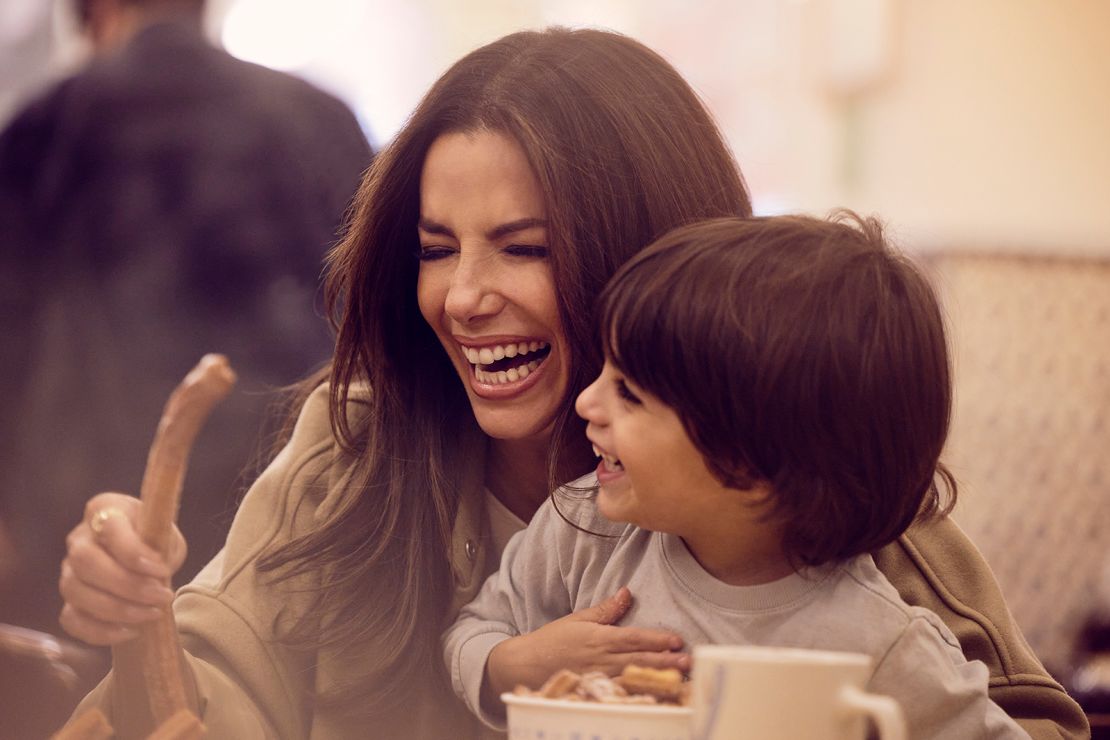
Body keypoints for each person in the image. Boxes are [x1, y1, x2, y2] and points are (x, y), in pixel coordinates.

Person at [55, 27, 1087, 740]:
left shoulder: (796, 455)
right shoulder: (356, 443)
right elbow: (207, 691)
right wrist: (135, 607)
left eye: (522, 247)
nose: (461, 297)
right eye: (433, 247)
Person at [444, 213, 1029, 738]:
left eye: (629, 393)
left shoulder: (883, 644)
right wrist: (508, 667)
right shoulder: (584, 532)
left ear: (750, 463)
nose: (587, 404)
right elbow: (475, 628)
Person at [0, 0, 372, 637]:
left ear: (96, 13)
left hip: (94, 559)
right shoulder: (318, 116)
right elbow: (378, 319)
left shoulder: (43, 130)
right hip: (297, 527)